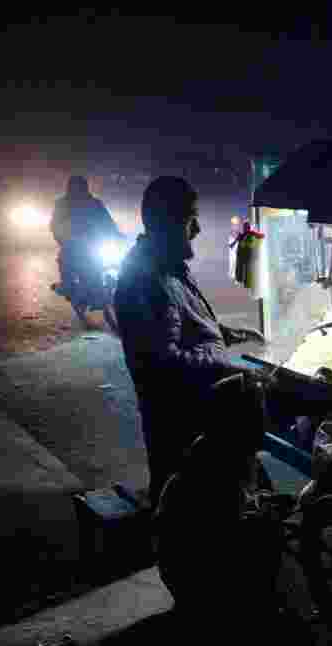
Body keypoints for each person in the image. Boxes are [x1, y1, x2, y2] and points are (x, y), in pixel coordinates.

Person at [113, 176, 265, 510]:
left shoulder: (168, 268)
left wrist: (230, 333)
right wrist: (231, 368)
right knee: (194, 516)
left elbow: (185, 327)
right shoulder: (146, 280)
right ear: (165, 223)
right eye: (190, 219)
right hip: (182, 426)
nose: (196, 229)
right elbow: (163, 363)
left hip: (202, 418)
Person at [51, 176, 123, 298]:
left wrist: (117, 235)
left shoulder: (95, 203)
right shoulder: (62, 204)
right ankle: (66, 286)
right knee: (65, 258)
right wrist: (62, 239)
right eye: (75, 188)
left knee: (109, 263)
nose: (78, 191)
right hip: (72, 244)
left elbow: (107, 221)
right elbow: (55, 224)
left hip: (93, 244)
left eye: (81, 188)